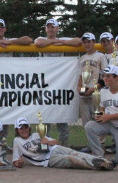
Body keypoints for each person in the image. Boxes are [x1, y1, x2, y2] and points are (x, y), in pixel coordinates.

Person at [33, 18, 82, 146]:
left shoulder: (63, 39)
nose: (50, 29)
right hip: (45, 84)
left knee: (62, 114)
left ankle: (64, 144)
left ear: (57, 28)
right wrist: (55, 42)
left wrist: (60, 41)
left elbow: (78, 41)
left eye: (53, 27)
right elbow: (37, 43)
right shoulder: (41, 38)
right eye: (48, 27)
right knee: (45, 114)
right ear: (45, 29)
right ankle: (45, 143)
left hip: (61, 84)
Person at [11, 117, 115, 171]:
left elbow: (56, 142)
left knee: (75, 153)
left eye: (25, 127)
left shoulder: (36, 134)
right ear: (17, 130)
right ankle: (98, 166)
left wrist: (47, 141)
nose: (24, 130)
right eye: (21, 128)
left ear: (29, 128)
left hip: (54, 148)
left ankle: (104, 161)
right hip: (47, 160)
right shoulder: (17, 141)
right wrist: (19, 163)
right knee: (71, 159)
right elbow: (15, 161)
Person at [84, 65, 118, 166]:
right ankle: (99, 157)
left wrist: (108, 117)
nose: (105, 79)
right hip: (110, 124)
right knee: (90, 126)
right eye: (104, 76)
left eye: (108, 76)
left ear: (117, 77)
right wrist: (100, 116)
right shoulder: (104, 91)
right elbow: (102, 108)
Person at [78, 32, 108, 152]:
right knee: (86, 121)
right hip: (84, 94)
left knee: (98, 118)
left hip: (97, 93)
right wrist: (79, 88)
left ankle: (101, 145)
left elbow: (106, 75)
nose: (86, 44)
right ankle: (92, 145)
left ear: (93, 42)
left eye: (89, 42)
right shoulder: (82, 58)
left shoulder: (100, 56)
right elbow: (80, 77)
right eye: (84, 42)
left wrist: (94, 88)